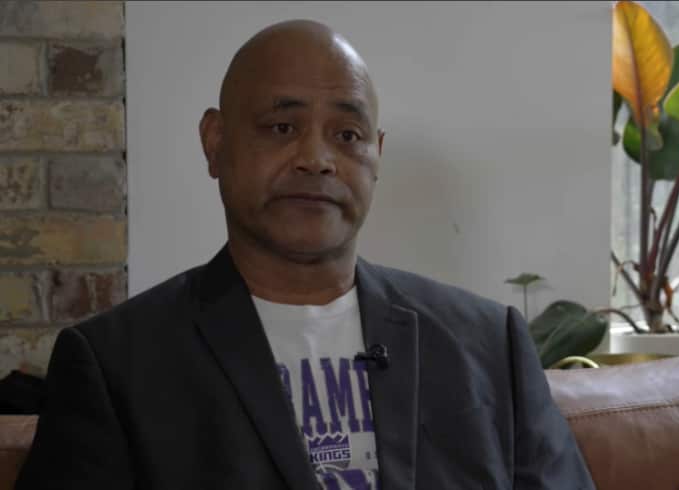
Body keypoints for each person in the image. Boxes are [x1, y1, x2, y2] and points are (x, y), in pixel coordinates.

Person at [15, 20, 595, 490]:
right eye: (281, 126)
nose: (316, 158)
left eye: (347, 136)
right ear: (215, 142)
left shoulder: (489, 345)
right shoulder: (116, 366)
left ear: (377, 155)